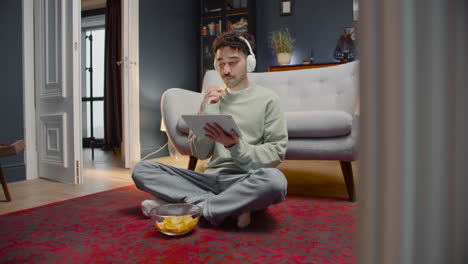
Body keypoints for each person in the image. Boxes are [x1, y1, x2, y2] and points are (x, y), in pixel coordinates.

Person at [132, 31, 288, 228]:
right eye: (221, 63)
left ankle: (193, 206)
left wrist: (235, 146)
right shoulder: (212, 99)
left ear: (249, 63)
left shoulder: (268, 99)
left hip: (245, 179)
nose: (226, 69)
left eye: (233, 62)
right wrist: (208, 108)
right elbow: (200, 152)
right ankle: (232, 206)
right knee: (142, 169)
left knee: (275, 181)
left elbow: (276, 152)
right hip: (208, 178)